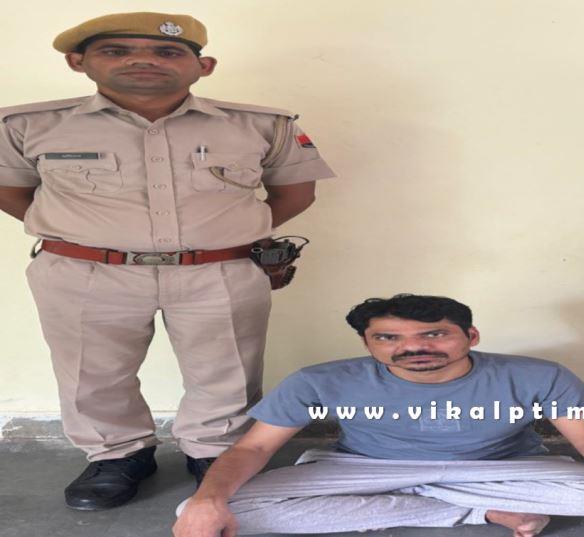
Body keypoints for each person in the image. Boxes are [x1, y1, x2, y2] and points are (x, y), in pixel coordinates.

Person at [0, 12, 336, 510]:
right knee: (92, 372)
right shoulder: (26, 125)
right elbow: (11, 191)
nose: (143, 60)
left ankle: (215, 452)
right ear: (78, 62)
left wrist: (225, 236)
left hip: (219, 270)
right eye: (116, 51)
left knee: (227, 369)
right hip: (86, 272)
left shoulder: (262, 125)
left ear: (204, 66)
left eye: (167, 52)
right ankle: (117, 455)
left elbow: (295, 193)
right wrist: (88, 237)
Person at [173, 294, 584, 537]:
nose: (413, 348)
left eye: (434, 334)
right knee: (206, 511)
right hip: (365, 469)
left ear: (469, 336)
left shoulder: (536, 374)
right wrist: (207, 498)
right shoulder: (320, 380)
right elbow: (254, 447)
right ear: (368, 343)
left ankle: (444, 499)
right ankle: (472, 510)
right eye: (389, 338)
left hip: (501, 468)